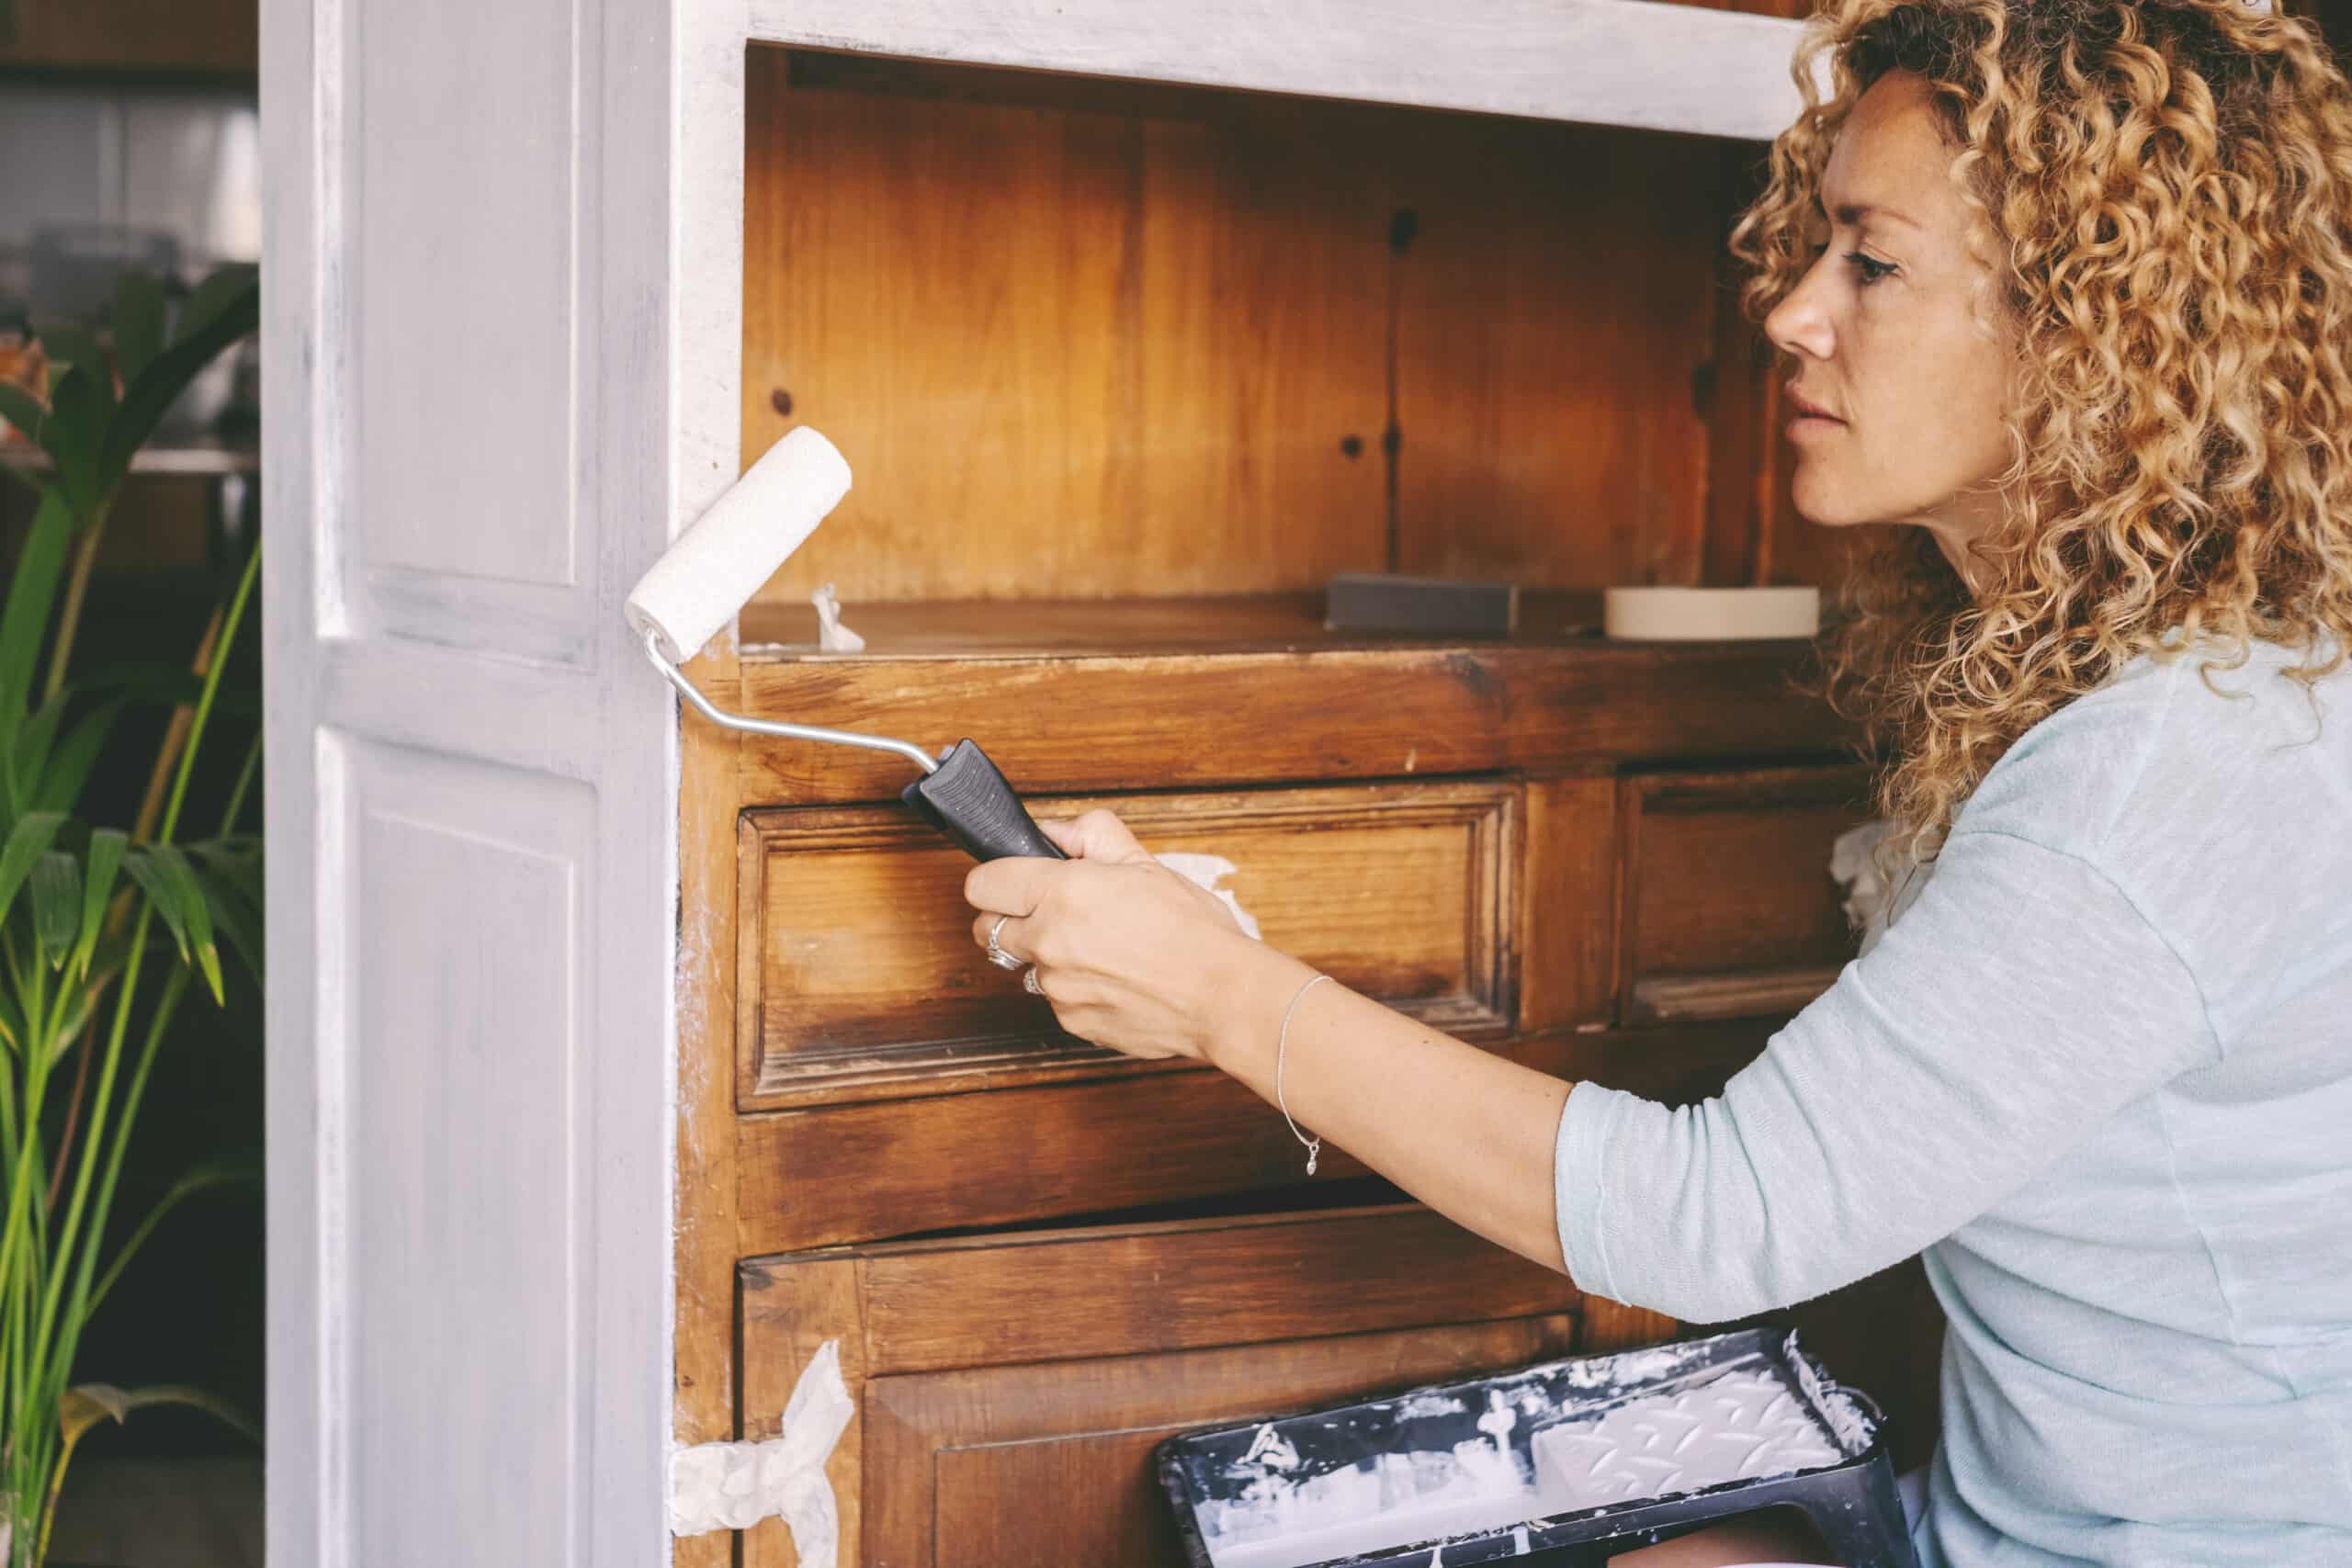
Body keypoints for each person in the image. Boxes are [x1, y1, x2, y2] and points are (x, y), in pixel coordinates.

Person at [961, 2, 2352, 1562]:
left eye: (1871, 264)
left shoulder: (2175, 772)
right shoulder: (2153, 674)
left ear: (2101, 327)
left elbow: (1721, 1218)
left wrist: (1218, 994)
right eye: (1816, 248)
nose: (1791, 314)